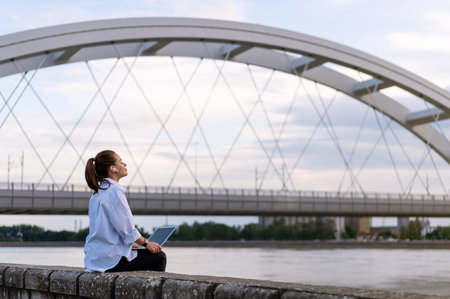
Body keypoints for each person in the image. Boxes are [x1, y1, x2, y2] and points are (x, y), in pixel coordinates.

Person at [83, 150, 166, 272]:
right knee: (159, 257)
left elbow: (104, 230)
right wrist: (147, 243)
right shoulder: (114, 190)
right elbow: (125, 227)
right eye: (121, 162)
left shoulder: (97, 193)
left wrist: (128, 245)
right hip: (111, 261)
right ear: (113, 168)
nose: (125, 164)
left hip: (94, 259)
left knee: (138, 255)